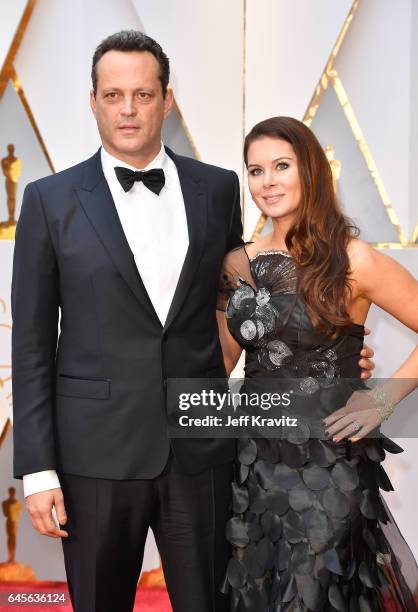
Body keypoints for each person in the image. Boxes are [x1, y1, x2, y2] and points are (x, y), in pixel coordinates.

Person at [11, 32, 374, 611]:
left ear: (167, 100)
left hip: (204, 451)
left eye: (143, 94)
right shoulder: (48, 200)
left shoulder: (218, 188)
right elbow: (31, 343)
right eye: (113, 95)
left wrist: (332, 344)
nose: (128, 110)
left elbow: (241, 309)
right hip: (95, 458)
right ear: (93, 101)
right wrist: (37, 471)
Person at [217, 116, 418, 611]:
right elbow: (220, 361)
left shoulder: (353, 260)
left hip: (329, 468)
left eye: (281, 166)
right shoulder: (237, 263)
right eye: (256, 170)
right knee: (257, 593)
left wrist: (383, 399)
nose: (268, 182)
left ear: (310, 170)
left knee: (318, 594)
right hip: (254, 465)